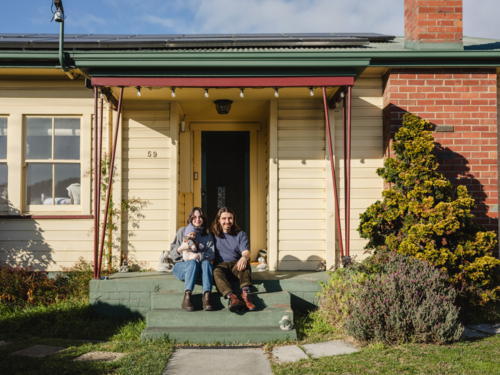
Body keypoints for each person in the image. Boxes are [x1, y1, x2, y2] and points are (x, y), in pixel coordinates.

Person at [211, 207, 256, 312]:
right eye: (224, 218)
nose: (227, 221)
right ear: (218, 220)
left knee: (245, 264)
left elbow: (246, 252)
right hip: (221, 266)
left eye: (230, 218)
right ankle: (232, 298)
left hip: (236, 265)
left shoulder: (240, 234)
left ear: (233, 219)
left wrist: (244, 258)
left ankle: (246, 296)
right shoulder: (212, 235)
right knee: (216, 271)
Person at [170, 207, 215, 311]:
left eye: (200, 217)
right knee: (192, 263)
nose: (197, 219)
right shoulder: (182, 231)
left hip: (201, 271)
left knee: (206, 264)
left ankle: (207, 296)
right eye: (194, 217)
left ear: (204, 218)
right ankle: (187, 296)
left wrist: (198, 255)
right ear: (190, 218)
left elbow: (211, 254)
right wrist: (181, 248)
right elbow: (172, 255)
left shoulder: (207, 234)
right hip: (183, 267)